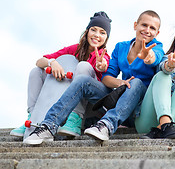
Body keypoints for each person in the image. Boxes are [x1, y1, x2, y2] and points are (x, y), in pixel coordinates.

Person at [23, 10, 164, 145]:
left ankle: (106, 125)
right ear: (135, 25)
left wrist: (149, 57)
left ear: (157, 33)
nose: (147, 30)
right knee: (83, 80)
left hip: (140, 108)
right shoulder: (121, 47)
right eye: (144, 25)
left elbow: (155, 58)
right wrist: (120, 82)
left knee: (137, 82)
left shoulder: (157, 47)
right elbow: (107, 78)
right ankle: (49, 126)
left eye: (152, 28)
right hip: (121, 100)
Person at [10, 11, 111, 138]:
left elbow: (104, 65)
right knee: (36, 71)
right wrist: (52, 62)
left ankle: (75, 119)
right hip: (66, 100)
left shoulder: (104, 56)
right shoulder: (75, 49)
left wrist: (101, 66)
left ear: (106, 38)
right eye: (93, 30)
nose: (97, 35)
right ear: (87, 32)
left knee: (83, 66)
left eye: (102, 32)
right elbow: (39, 62)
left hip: (91, 106)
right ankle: (32, 118)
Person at [135, 20, 175, 139]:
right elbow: (164, 68)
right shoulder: (168, 58)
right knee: (162, 75)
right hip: (149, 123)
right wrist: (170, 65)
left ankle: (164, 126)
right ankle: (165, 124)